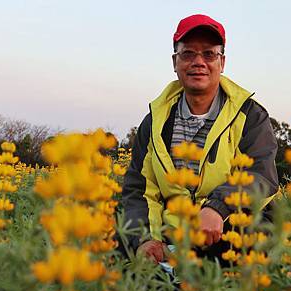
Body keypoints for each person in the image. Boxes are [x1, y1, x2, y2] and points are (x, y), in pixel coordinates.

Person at [119, 14, 279, 263]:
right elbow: (138, 189)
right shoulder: (154, 122)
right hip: (170, 236)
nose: (198, 62)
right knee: (116, 238)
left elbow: (261, 177)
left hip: (227, 231)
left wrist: (217, 207)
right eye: (188, 54)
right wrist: (144, 240)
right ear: (175, 62)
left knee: (255, 236)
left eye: (209, 54)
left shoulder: (249, 115)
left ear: (222, 62)